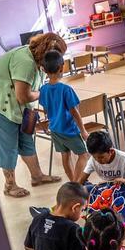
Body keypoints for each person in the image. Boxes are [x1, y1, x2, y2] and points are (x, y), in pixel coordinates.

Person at [0, 32, 66, 198]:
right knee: (8, 143)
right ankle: (10, 186)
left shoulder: (39, 60)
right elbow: (23, 96)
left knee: (27, 137)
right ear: (44, 52)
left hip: (23, 104)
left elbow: (29, 93)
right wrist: (45, 91)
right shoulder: (25, 61)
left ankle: (37, 176)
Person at [38, 50, 89, 182]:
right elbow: (74, 112)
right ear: (62, 67)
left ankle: (73, 181)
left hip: (55, 129)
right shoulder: (66, 89)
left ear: (44, 70)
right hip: (69, 129)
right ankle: (77, 184)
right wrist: (83, 130)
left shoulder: (43, 89)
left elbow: (46, 110)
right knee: (83, 155)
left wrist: (49, 123)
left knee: (65, 155)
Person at [78, 130, 125, 225]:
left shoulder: (123, 158)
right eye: (95, 157)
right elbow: (81, 179)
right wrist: (74, 195)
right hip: (106, 188)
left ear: (111, 151)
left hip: (123, 188)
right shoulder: (94, 160)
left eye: (101, 157)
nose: (98, 160)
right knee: (83, 190)